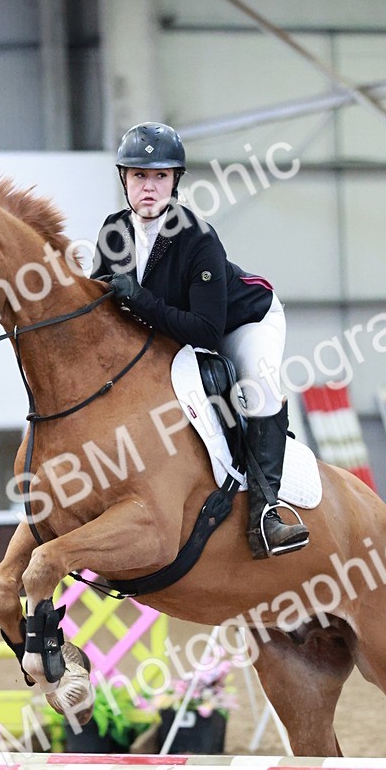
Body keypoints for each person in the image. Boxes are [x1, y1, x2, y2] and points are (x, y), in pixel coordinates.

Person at [91, 121, 308, 559]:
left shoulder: (197, 237)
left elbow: (207, 331)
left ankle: (267, 514)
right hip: (174, 328)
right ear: (124, 179)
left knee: (257, 390)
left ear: (174, 181)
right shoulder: (114, 232)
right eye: (139, 176)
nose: (149, 187)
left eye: (159, 176)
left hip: (243, 322)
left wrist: (143, 301)